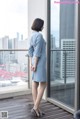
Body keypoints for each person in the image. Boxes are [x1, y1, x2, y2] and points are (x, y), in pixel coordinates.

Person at [28, 18, 47, 117]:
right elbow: (37, 53)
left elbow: (30, 51)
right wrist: (35, 65)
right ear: (39, 25)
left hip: (34, 62)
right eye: (42, 25)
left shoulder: (31, 35)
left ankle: (37, 108)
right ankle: (36, 107)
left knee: (35, 83)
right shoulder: (39, 35)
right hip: (39, 63)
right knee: (43, 84)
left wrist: (31, 63)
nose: (43, 27)